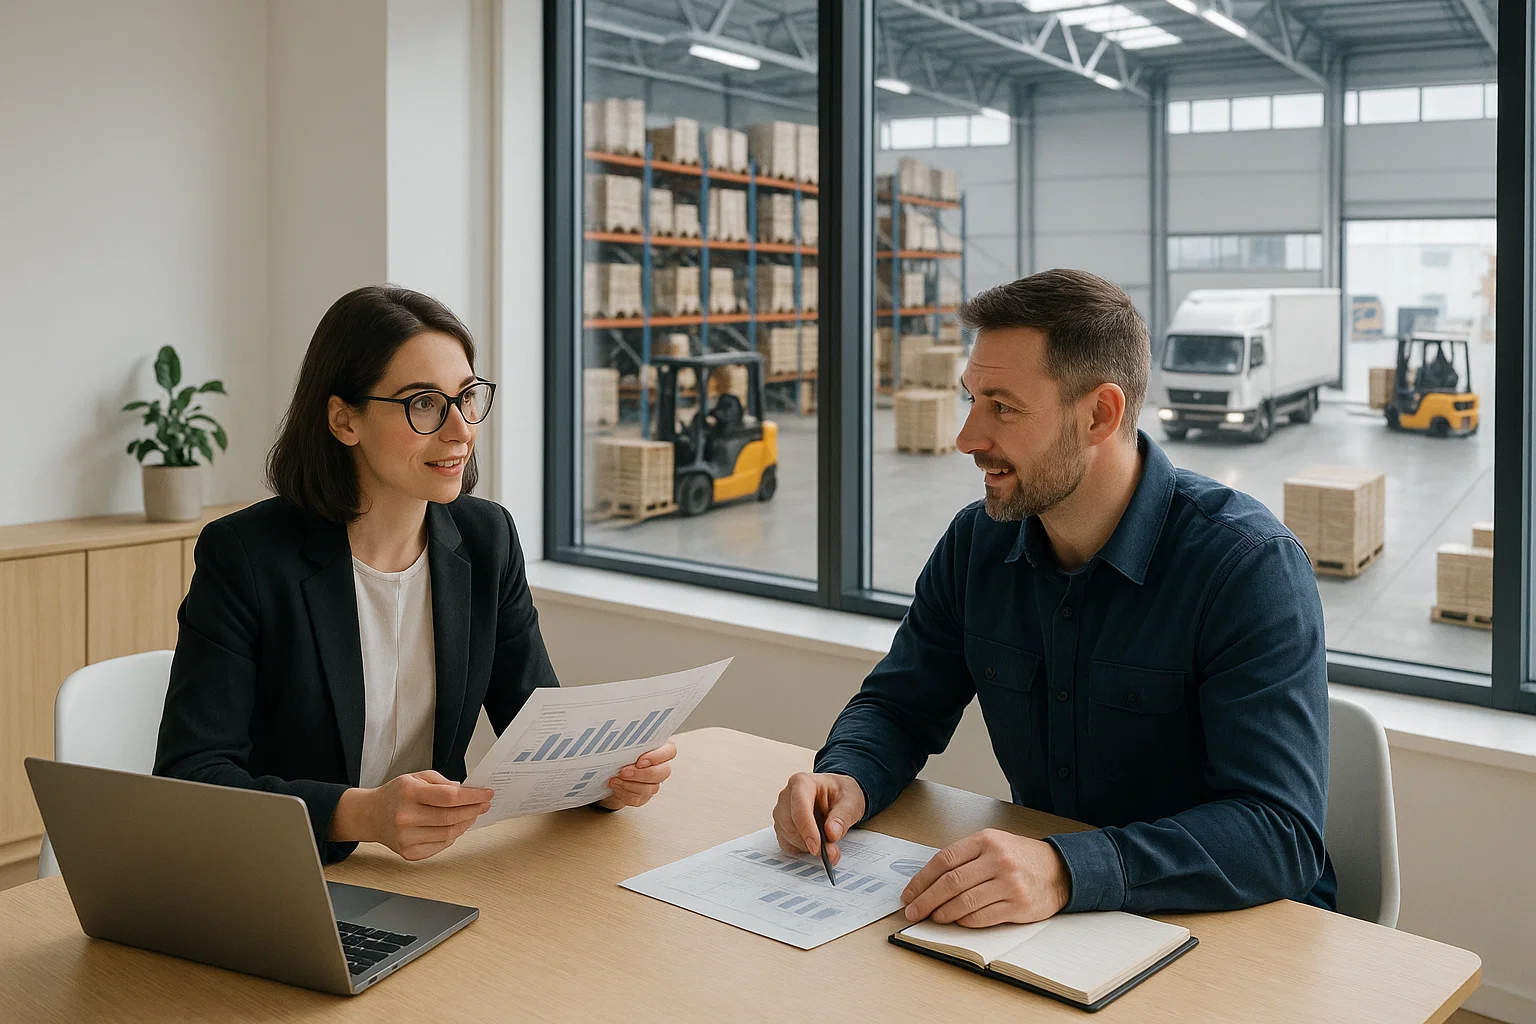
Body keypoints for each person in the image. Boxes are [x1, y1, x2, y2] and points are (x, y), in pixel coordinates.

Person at [772, 269, 1334, 927]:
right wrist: (850, 775)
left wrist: (1069, 870)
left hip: (1234, 932)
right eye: (972, 399)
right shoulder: (976, 544)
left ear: (1100, 414)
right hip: (1052, 924)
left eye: (1003, 407)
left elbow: (1278, 833)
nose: (968, 438)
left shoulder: (1246, 568)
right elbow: (898, 707)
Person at [155, 285, 675, 864]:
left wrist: (606, 777)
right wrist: (362, 814)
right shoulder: (246, 556)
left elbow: (538, 730)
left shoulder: (487, 540)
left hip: (432, 874)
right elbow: (191, 778)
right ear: (344, 419)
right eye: (423, 403)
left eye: (466, 396)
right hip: (289, 877)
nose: (460, 430)